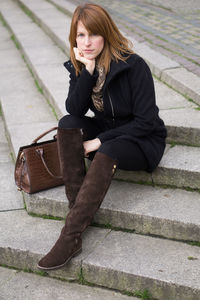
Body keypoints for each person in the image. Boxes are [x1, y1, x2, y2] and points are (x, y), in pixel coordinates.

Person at [37, 3, 167, 270]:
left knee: (108, 150)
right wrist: (87, 71)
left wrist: (100, 140)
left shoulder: (134, 66)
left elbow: (146, 121)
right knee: (67, 124)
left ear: (106, 34)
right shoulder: (84, 62)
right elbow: (74, 109)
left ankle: (69, 235)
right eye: (80, 35)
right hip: (108, 128)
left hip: (142, 139)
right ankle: (77, 214)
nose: (86, 43)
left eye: (93, 35)